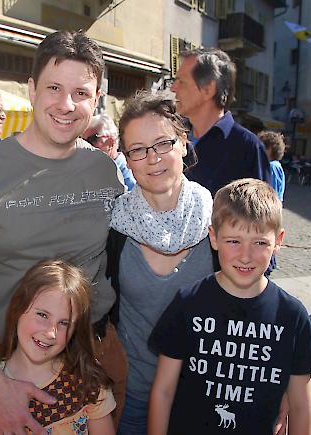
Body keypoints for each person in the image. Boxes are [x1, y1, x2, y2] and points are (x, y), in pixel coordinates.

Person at [0, 30, 126, 435]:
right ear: (32, 89)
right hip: (2, 361)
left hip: (91, 351)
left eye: (81, 92)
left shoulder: (104, 171)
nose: (67, 104)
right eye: (54, 87)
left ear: (96, 98)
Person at [148, 178, 311, 435]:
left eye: (260, 243)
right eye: (233, 241)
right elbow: (163, 391)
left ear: (278, 240)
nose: (245, 255)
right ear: (214, 238)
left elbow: (301, 407)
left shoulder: (291, 316)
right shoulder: (187, 303)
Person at [106, 91, 214, 435]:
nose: (152, 158)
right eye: (137, 149)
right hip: (132, 396)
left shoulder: (218, 221)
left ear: (183, 143)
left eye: (163, 143)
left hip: (205, 396)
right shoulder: (114, 226)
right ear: (127, 158)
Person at [0, 259, 116, 434]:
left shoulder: (87, 380)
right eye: (42, 315)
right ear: (18, 309)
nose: (51, 333)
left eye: (64, 323)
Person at [170, 48, 272, 196]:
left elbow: (261, 216)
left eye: (181, 82)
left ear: (208, 89)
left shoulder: (248, 148)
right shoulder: (173, 139)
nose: (173, 88)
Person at [82, 114, 136, 191]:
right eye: (82, 141)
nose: (85, 146)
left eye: (91, 140)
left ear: (110, 142)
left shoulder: (129, 176)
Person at [258, 131, 286, 201]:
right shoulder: (273, 165)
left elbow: (272, 193)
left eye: (263, 146)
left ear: (272, 148)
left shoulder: (272, 166)